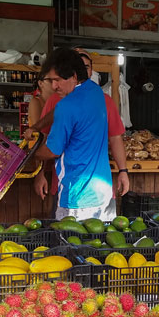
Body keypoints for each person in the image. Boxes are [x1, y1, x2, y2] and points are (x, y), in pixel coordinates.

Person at [34, 48, 128, 221]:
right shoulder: (96, 93)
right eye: (51, 80)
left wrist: (29, 154)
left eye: (58, 80)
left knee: (71, 246)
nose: (54, 86)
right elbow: (60, 111)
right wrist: (37, 126)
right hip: (103, 194)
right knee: (102, 245)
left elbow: (53, 150)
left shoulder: (67, 106)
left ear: (74, 76)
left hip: (76, 197)